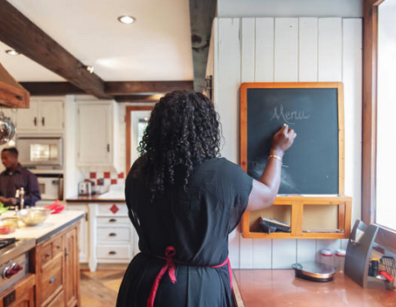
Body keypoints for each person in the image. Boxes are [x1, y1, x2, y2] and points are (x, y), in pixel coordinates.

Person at [116, 91, 296, 307]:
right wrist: (277, 151)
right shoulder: (223, 175)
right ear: (206, 128)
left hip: (143, 280)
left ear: (157, 129)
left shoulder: (140, 169)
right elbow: (267, 194)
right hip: (197, 289)